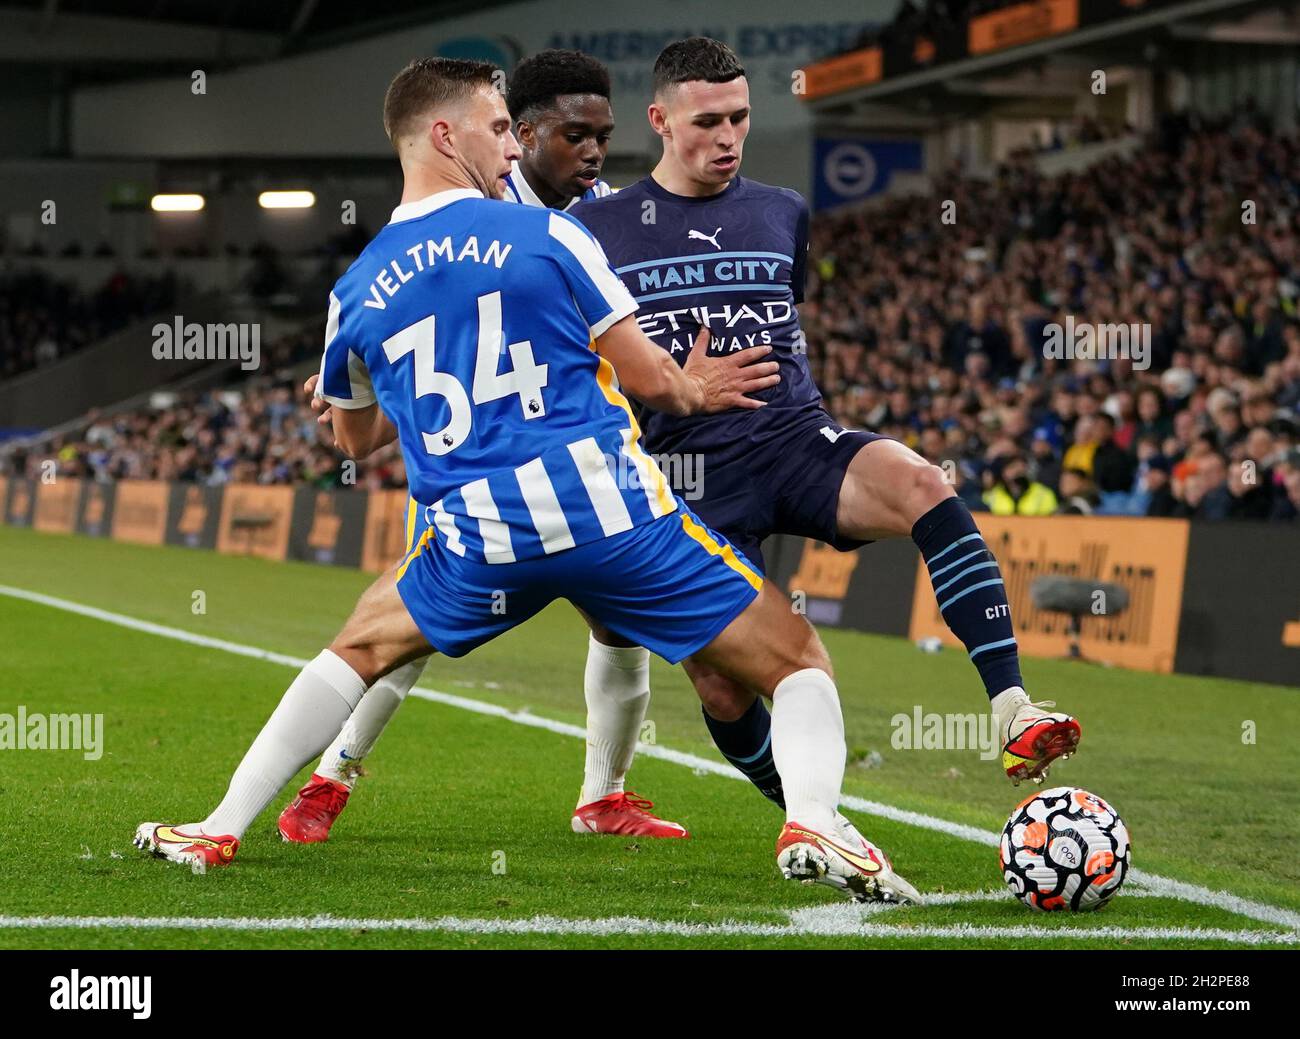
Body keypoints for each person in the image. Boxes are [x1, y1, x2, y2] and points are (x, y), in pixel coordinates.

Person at [135, 56, 920, 905]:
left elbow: (356, 440)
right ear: (445, 134)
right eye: (499, 126)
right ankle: (811, 818)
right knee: (797, 658)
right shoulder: (553, 236)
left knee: (359, 648)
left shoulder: (354, 290)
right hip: (610, 516)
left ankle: (218, 825)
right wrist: (696, 385)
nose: (512, 147)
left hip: (475, 539)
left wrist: (349, 403)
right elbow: (654, 382)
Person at [568, 37, 1081, 796]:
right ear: (660, 121)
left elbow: (787, 315)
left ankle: (1011, 708)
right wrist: (677, 383)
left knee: (923, 484)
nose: (728, 137)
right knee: (724, 689)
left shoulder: (782, 211)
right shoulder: (598, 229)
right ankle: (806, 813)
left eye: (739, 118)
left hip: (793, 440)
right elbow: (583, 364)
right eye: (708, 121)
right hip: (686, 476)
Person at [278, 50, 694, 846]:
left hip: (578, 453)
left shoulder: (600, 213)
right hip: (475, 467)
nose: (594, 154)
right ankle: (332, 773)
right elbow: (415, 348)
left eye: (604, 135)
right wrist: (354, 389)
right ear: (520, 134)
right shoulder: (467, 212)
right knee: (411, 631)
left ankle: (602, 795)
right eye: (575, 135)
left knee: (619, 622)